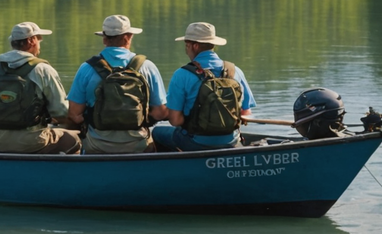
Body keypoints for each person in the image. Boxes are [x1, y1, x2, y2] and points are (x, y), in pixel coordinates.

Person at [0, 22, 80, 154]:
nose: (40, 45)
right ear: (31, 40)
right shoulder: (44, 70)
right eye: (39, 39)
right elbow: (61, 112)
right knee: (73, 139)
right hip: (33, 143)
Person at [67, 15, 168, 153]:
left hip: (97, 145)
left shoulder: (87, 68)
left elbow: (74, 114)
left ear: (104, 39)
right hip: (138, 144)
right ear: (128, 37)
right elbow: (160, 113)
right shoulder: (147, 66)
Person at [153, 22, 256, 151]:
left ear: (194, 46)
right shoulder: (235, 71)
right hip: (232, 141)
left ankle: (176, 167)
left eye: (186, 45)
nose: (186, 50)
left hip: (196, 141)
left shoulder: (182, 74)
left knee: (156, 133)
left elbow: (175, 121)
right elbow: (246, 112)